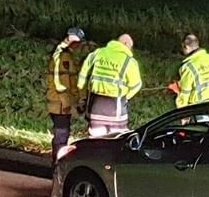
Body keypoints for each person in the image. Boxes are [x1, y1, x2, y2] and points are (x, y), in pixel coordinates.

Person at [77, 33, 142, 137]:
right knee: (117, 141)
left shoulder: (97, 53)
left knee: (95, 140)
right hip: (116, 110)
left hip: (95, 106)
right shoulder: (129, 61)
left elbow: (82, 76)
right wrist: (125, 98)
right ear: (126, 44)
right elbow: (136, 85)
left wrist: (82, 95)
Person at [46, 27, 85, 161]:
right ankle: (58, 164)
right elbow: (61, 83)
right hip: (60, 104)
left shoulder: (63, 54)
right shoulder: (63, 57)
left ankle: (57, 162)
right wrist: (68, 103)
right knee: (61, 135)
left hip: (59, 102)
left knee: (62, 134)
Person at [172, 34, 209, 108]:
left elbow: (185, 93)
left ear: (186, 47)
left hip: (199, 107)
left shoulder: (188, 67)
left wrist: (182, 112)